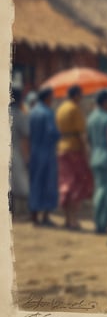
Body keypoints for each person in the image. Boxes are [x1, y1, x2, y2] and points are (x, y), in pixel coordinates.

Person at [55, 84, 94, 230]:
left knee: (65, 183)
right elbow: (81, 134)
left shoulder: (61, 108)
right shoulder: (75, 109)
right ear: (77, 95)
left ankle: (67, 218)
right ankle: (72, 219)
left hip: (61, 147)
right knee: (75, 184)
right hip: (74, 149)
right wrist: (86, 152)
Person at [28, 87, 60, 226]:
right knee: (48, 184)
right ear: (47, 98)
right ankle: (46, 216)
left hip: (34, 151)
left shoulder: (32, 112)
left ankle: (34, 215)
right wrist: (60, 135)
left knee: (35, 183)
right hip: (47, 152)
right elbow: (52, 132)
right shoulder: (48, 113)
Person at [86, 89, 107, 234]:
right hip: (106, 156)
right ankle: (102, 223)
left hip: (95, 155)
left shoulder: (91, 118)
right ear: (105, 102)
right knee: (105, 192)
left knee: (99, 189)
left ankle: (99, 222)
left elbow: (89, 139)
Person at [9, 87, 30, 219]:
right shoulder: (19, 115)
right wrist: (27, 156)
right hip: (14, 152)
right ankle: (17, 210)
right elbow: (25, 137)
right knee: (18, 183)